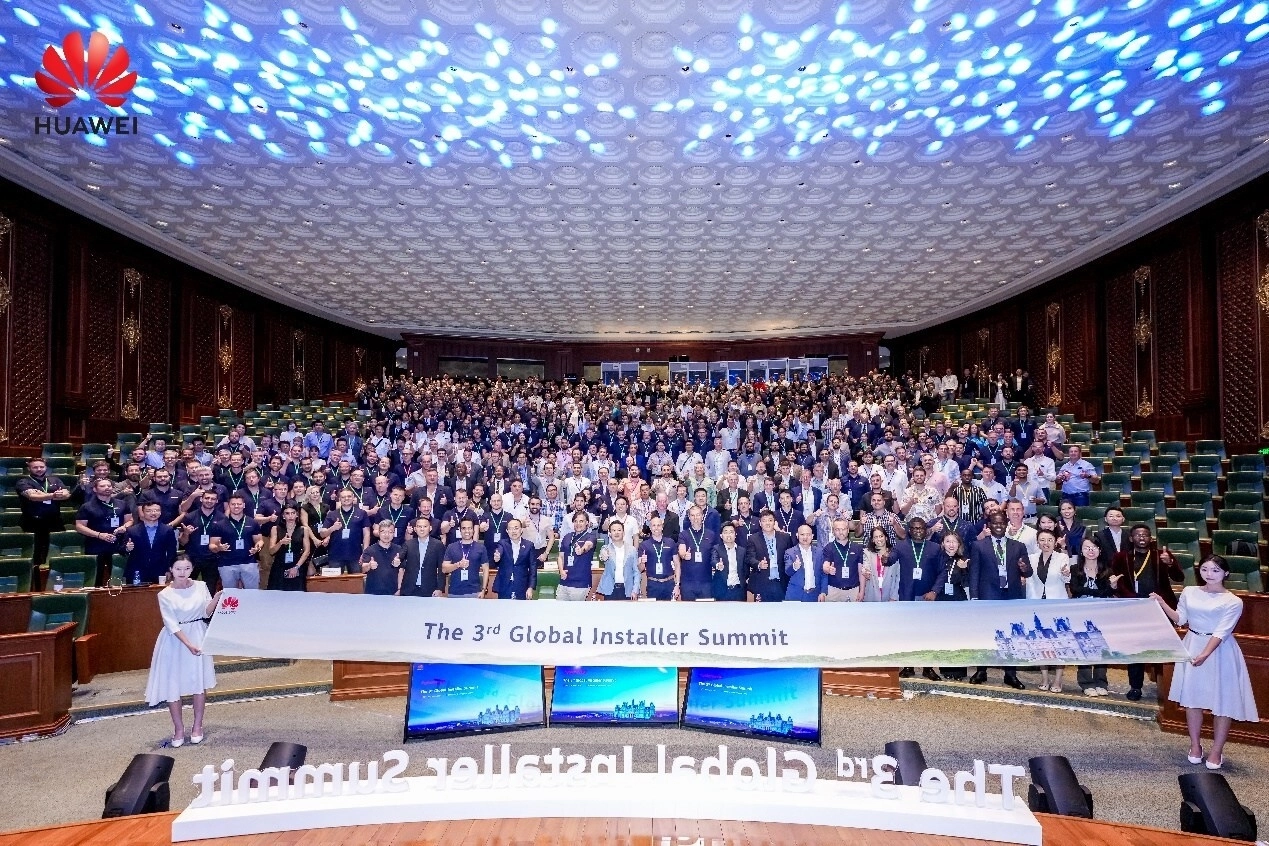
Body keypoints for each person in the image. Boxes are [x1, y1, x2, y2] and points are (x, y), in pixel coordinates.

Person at [1155, 555, 1260, 770]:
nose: (1209, 574)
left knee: (1223, 702)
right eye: (1204, 569)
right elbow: (1180, 619)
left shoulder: (1233, 601)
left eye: (1215, 570)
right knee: (1192, 699)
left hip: (1220, 651)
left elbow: (1222, 632)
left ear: (1225, 573)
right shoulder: (1189, 591)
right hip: (1192, 643)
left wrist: (1205, 654)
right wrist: (1162, 603)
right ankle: (1195, 745)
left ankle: (1217, 750)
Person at [144, 557, 220, 747]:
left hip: (198, 634)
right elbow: (171, 624)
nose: (182, 572)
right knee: (173, 684)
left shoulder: (201, 586)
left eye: (187, 568)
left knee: (198, 682)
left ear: (192, 569)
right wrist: (188, 644)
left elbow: (206, 613)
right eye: (178, 568)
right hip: (175, 640)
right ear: (171, 569)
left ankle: (197, 726)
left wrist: (217, 598)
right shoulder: (165, 594)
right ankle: (178, 729)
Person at [1112, 523, 1185, 701]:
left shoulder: (1162, 555)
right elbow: (1117, 580)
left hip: (1160, 606)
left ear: (1150, 538)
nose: (1142, 537)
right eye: (1138, 535)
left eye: (1145, 534)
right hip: (1134, 608)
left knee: (1163, 647)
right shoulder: (1122, 557)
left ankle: (1166, 686)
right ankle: (1135, 687)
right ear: (1131, 538)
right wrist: (1132, 598)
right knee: (1134, 648)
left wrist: (1171, 563)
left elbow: (1179, 577)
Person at [967, 511, 1033, 689]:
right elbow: (974, 573)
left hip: (1011, 597)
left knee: (1011, 635)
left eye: (1002, 523)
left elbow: (1028, 572)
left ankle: (1010, 674)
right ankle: (981, 671)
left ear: (1007, 524)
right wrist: (974, 597)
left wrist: (1024, 568)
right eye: (995, 523)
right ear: (989, 525)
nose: (998, 526)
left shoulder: (1018, 546)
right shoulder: (978, 546)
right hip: (988, 596)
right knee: (985, 634)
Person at [1027, 528, 1071, 693]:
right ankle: (1044, 678)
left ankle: (1058, 679)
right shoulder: (1031, 558)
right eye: (1042, 540)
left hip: (1057, 604)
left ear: (1055, 541)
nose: (1046, 543)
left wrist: (1066, 573)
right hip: (1037, 605)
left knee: (1059, 642)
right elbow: (1030, 581)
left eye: (1050, 540)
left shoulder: (1062, 557)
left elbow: (1066, 578)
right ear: (1037, 542)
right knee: (1041, 643)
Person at [16, 457, 70, 588]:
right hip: (34, 523)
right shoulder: (23, 482)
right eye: (35, 467)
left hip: (55, 521)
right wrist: (53, 495)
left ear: (46, 467)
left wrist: (44, 495)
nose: (39, 469)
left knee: (56, 553)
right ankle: (36, 586)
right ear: (29, 468)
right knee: (36, 556)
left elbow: (67, 494)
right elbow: (33, 496)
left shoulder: (54, 480)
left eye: (41, 467)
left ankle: (56, 584)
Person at [1069, 537, 1112, 696]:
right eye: (1087, 547)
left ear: (1100, 550)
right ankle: (1086, 683)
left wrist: (1110, 587)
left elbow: (1108, 592)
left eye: (1094, 547)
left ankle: (1101, 682)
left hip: (1102, 613)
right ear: (1081, 551)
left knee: (1101, 645)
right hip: (1080, 613)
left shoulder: (1107, 570)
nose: (1091, 550)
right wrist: (1099, 592)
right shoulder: (1075, 569)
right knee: (1084, 646)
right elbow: (1075, 590)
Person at [930, 530, 970, 680]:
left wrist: (964, 569)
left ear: (959, 544)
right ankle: (946, 669)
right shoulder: (937, 559)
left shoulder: (964, 560)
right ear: (942, 543)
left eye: (954, 541)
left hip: (958, 601)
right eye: (948, 541)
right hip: (941, 600)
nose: (951, 544)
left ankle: (959, 671)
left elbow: (967, 583)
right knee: (944, 635)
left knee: (959, 635)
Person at [122, 502, 179, 584]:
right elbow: (121, 549)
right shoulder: (132, 530)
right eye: (149, 511)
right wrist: (127, 548)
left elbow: (172, 552)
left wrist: (169, 569)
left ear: (160, 512)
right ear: (142, 512)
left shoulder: (167, 530)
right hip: (137, 571)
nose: (153, 513)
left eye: (156, 510)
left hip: (160, 571)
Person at [745, 508, 792, 602]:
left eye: (770, 520)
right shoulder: (753, 539)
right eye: (764, 521)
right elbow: (749, 558)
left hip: (781, 583)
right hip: (762, 583)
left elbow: (790, 556)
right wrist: (758, 564)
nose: (767, 523)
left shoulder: (785, 537)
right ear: (760, 523)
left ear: (774, 522)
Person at [490, 518, 536, 599]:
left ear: (521, 530)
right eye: (510, 529)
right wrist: (497, 556)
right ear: (507, 531)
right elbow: (499, 550)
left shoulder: (529, 545)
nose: (513, 531)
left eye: (516, 528)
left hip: (522, 585)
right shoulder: (502, 543)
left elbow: (533, 568)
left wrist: (530, 587)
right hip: (505, 585)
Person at [268, 503, 310, 591]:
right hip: (279, 566)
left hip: (297, 565)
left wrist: (296, 567)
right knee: (277, 595)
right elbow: (271, 551)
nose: (290, 516)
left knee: (297, 595)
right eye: (287, 513)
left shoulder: (303, 529)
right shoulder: (275, 529)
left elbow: (307, 551)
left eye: (293, 513)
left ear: (297, 514)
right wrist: (280, 543)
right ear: (283, 516)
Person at [442, 517, 487, 598]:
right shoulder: (451, 547)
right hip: (454, 593)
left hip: (475, 592)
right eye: (464, 528)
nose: (467, 531)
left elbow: (486, 569)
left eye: (470, 528)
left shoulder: (481, 548)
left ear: (473, 530)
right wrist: (458, 565)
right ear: (460, 530)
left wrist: (483, 590)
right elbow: (444, 569)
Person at [557, 511, 597, 601]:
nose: (578, 524)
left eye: (581, 521)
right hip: (564, 581)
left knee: (575, 610)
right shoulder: (567, 537)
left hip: (580, 583)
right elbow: (560, 556)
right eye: (576, 521)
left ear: (587, 523)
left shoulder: (591, 536)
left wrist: (581, 550)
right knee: (559, 609)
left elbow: (588, 545)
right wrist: (561, 570)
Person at [401, 515, 444, 597]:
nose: (422, 529)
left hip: (430, 589)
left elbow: (441, 568)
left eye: (425, 526)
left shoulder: (438, 545)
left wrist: (440, 588)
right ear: (415, 529)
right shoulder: (408, 544)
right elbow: (400, 559)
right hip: (409, 589)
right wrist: (396, 561)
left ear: (430, 528)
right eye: (419, 527)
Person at [597, 520, 640, 600]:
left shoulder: (632, 550)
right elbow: (602, 557)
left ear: (623, 533)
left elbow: (636, 572)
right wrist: (603, 556)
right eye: (613, 530)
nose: (616, 532)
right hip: (610, 589)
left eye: (619, 530)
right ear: (610, 534)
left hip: (627, 589)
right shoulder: (605, 548)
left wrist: (635, 590)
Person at [783, 523, 827, 602]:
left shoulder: (820, 552)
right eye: (802, 534)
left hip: (815, 595)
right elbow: (787, 572)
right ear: (797, 535)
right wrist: (794, 566)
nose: (805, 537)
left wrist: (823, 592)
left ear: (812, 536)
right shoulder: (789, 552)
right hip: (795, 595)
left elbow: (823, 574)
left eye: (808, 534)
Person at [359, 520, 404, 596]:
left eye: (390, 532)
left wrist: (399, 589)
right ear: (379, 533)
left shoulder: (399, 549)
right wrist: (369, 566)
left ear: (394, 533)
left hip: (393, 592)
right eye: (383, 532)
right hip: (372, 593)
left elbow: (401, 570)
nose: (387, 535)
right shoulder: (369, 550)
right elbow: (362, 569)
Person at [709, 523, 749, 601]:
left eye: (731, 532)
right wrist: (718, 565)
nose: (728, 535)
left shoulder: (742, 551)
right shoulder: (716, 549)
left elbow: (746, 571)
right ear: (721, 535)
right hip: (722, 591)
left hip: (739, 591)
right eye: (726, 532)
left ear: (735, 534)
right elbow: (713, 560)